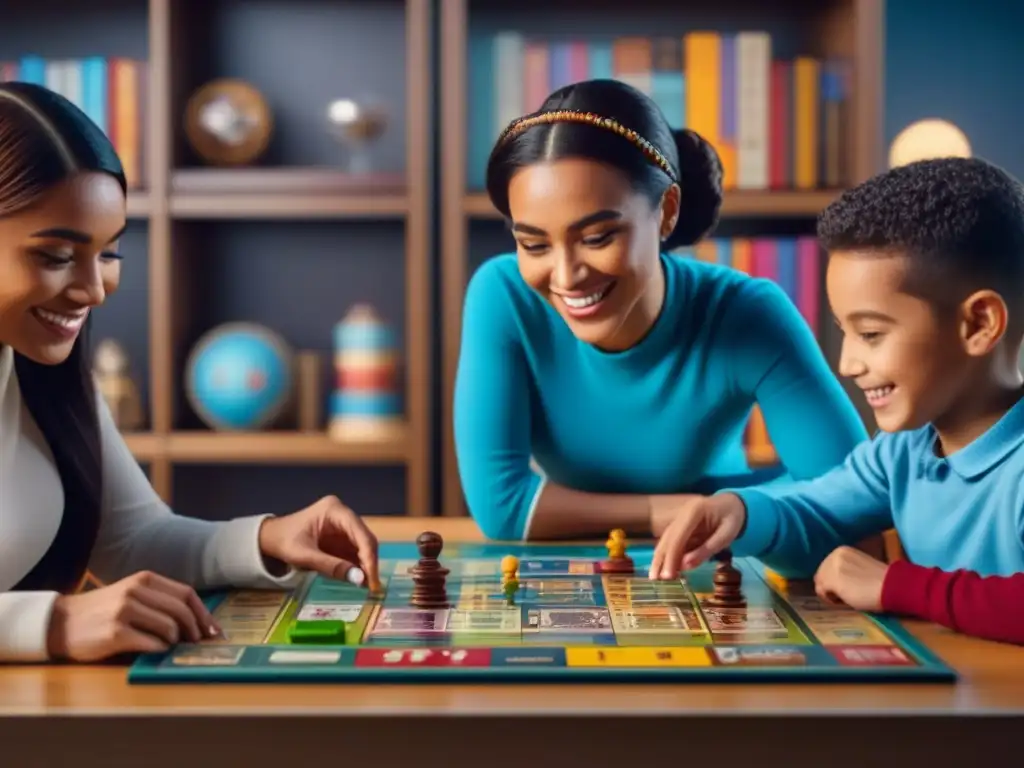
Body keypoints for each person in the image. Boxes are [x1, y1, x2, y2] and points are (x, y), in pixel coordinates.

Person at [0, 82, 380, 664]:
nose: (95, 291)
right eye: (55, 256)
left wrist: (269, 538)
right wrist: (50, 624)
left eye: (109, 253)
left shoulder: (41, 369)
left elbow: (130, 541)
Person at [454, 79, 867, 542]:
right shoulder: (503, 294)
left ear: (666, 210)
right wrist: (674, 512)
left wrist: (737, 511)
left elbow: (850, 493)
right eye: (534, 244)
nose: (566, 276)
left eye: (597, 238)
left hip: (726, 551)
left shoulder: (747, 315)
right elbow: (503, 507)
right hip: (607, 556)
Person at [650, 156, 1024, 645]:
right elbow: (819, 511)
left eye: (871, 333)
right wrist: (739, 513)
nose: (847, 363)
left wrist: (897, 586)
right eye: (846, 331)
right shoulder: (904, 449)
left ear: (978, 325)